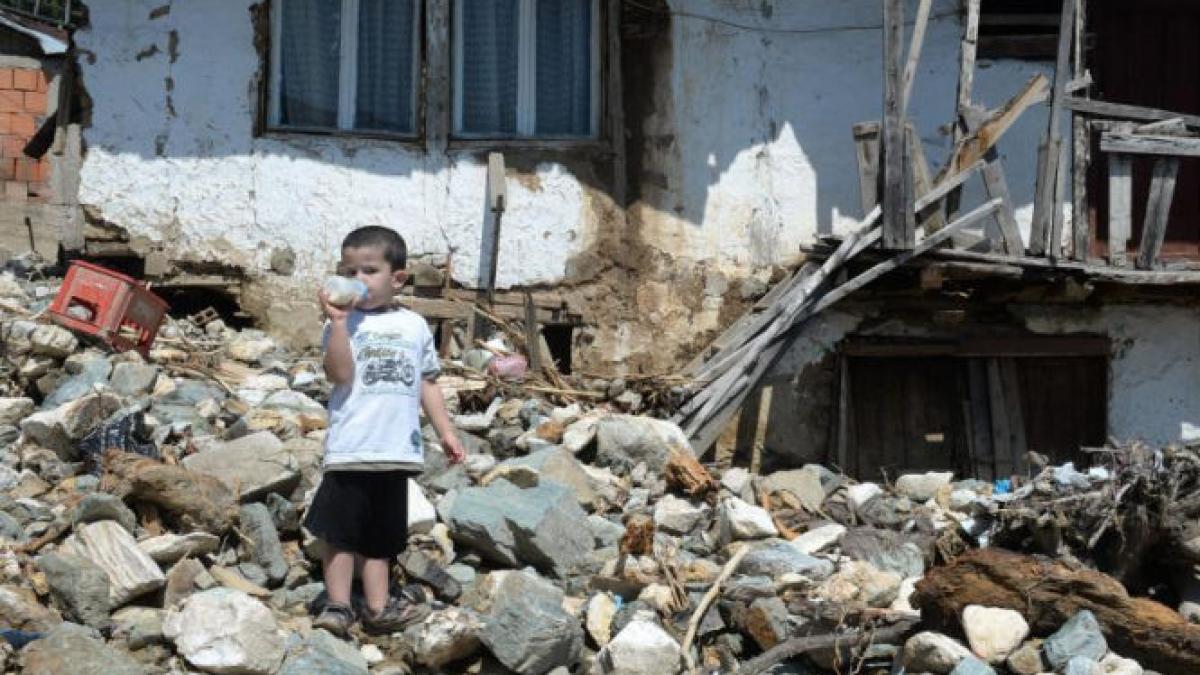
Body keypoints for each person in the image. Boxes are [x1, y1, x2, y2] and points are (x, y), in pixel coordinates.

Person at [304, 225, 467, 637]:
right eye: (348, 270)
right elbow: (339, 376)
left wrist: (445, 431)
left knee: (382, 538)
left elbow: (428, 383)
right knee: (339, 535)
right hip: (351, 449)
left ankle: (378, 608)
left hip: (397, 451)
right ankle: (338, 606)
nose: (356, 279)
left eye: (368, 270)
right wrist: (338, 324)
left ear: (398, 279)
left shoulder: (414, 326)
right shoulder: (342, 324)